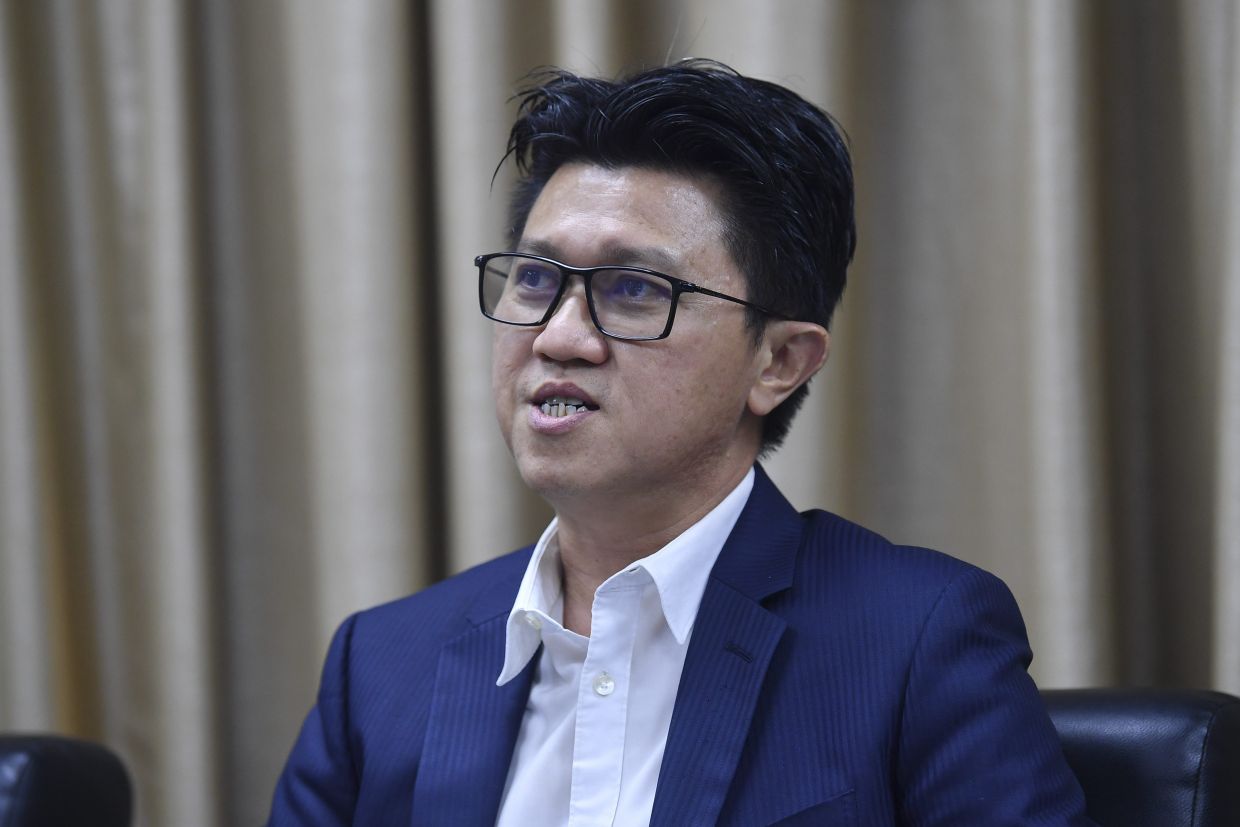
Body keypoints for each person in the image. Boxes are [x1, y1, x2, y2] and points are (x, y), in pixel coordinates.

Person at [267, 60, 1094, 826]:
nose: (558, 336)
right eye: (535, 278)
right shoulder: (380, 666)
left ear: (778, 362)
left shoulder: (916, 641)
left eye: (633, 289)